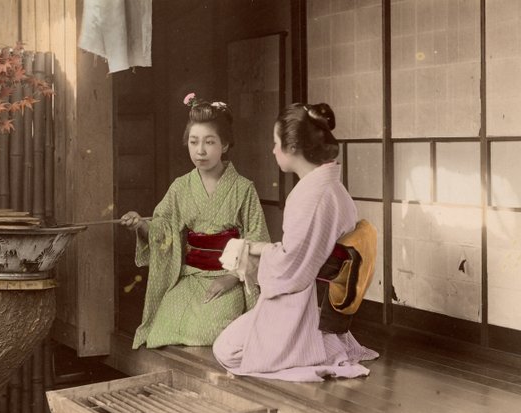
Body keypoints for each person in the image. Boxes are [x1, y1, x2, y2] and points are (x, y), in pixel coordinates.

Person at [212, 102, 379, 382]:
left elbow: (292, 267)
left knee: (227, 351)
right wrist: (259, 248)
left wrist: (258, 252)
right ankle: (325, 344)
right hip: (314, 293)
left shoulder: (312, 197)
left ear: (292, 147)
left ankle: (315, 349)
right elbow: (300, 253)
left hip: (302, 298)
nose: (273, 149)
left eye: (276, 142)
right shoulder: (329, 188)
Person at [121, 94, 270, 349]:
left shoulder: (243, 189)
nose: (200, 150)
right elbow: (163, 228)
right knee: (162, 330)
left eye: (209, 142)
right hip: (190, 278)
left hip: (228, 278)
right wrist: (141, 225)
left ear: (224, 145)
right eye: (193, 142)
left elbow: (257, 239)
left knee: (205, 332)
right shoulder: (181, 187)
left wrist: (231, 278)